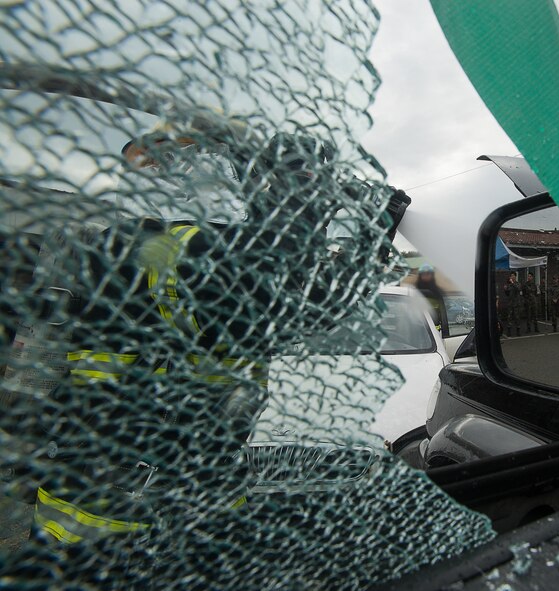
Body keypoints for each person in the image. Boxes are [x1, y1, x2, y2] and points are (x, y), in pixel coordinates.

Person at [29, 128, 358, 546]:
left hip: (175, 491)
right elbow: (289, 299)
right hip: (124, 523)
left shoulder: (122, 247)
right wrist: (311, 203)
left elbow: (282, 290)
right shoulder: (158, 247)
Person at [414, 264, 448, 335]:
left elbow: (444, 312)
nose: (426, 276)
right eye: (423, 274)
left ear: (432, 275)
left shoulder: (438, 292)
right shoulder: (414, 291)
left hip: (435, 332)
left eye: (428, 274)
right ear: (420, 276)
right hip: (418, 328)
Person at [502, 272, 521, 337]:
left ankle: (518, 330)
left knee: (517, 317)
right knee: (509, 317)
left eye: (513, 276)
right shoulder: (509, 285)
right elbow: (507, 294)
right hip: (510, 303)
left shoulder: (518, 283)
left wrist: (512, 283)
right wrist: (505, 290)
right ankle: (509, 331)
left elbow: (518, 289)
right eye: (511, 276)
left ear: (515, 277)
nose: (511, 277)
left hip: (516, 304)